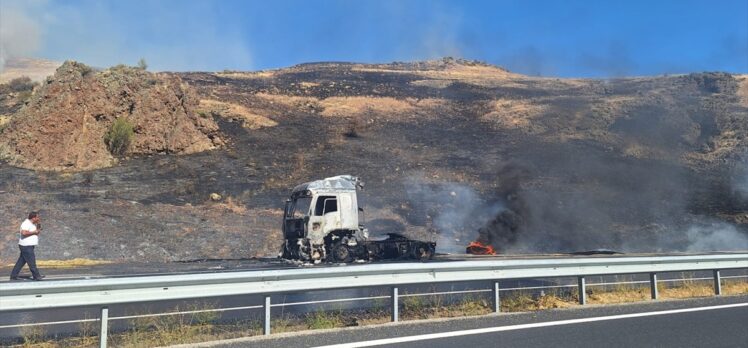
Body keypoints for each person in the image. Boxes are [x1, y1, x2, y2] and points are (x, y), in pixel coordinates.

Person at [10, 211, 45, 281]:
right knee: (32, 262)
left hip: (29, 245)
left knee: (21, 262)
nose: (38, 218)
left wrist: (38, 226)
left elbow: (36, 233)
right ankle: (36, 276)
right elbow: (24, 233)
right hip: (26, 246)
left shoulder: (32, 224)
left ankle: (13, 276)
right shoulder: (26, 223)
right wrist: (34, 232)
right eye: (37, 217)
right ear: (33, 218)